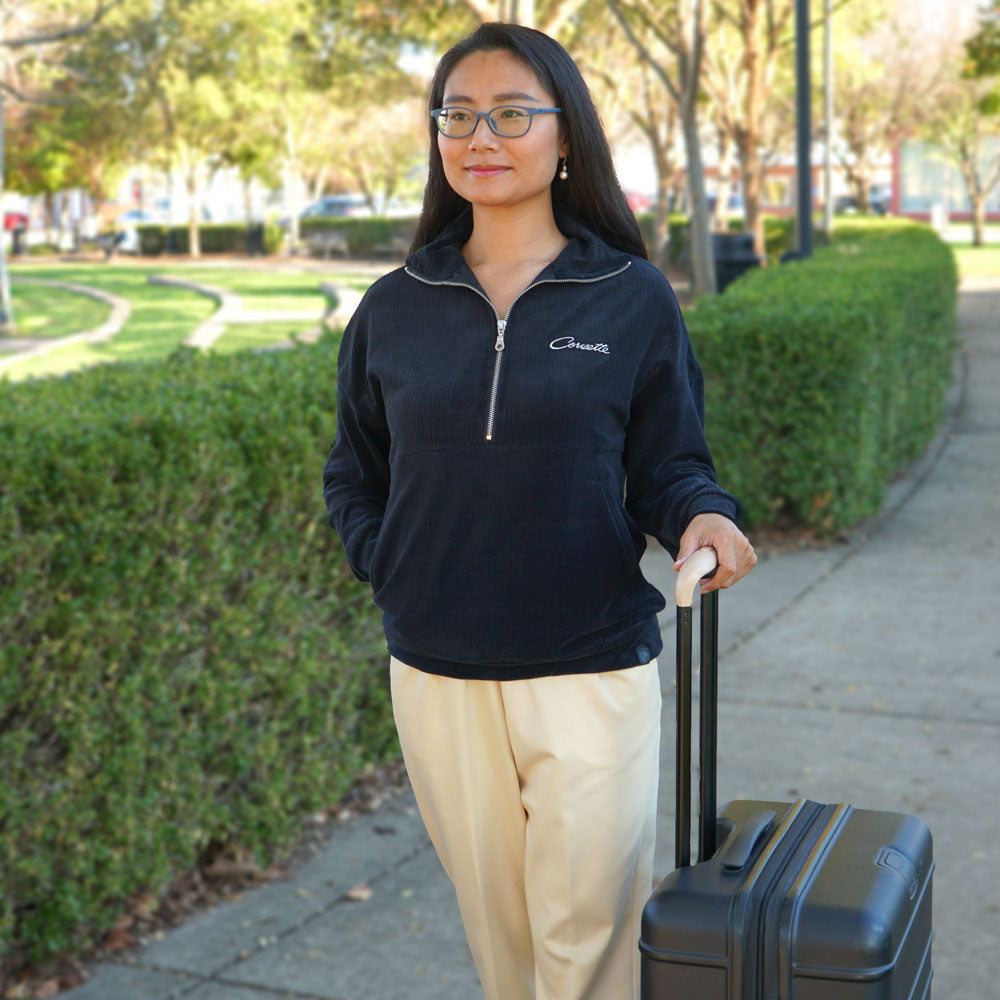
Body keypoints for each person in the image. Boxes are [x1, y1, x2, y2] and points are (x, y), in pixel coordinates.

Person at [323, 21, 756, 1000]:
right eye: (458, 115)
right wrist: (388, 559)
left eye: (512, 113)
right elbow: (353, 469)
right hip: (437, 667)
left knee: (587, 938)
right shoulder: (394, 305)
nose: (482, 135)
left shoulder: (630, 295)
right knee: (502, 943)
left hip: (589, 665)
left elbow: (670, 462)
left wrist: (703, 517)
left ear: (566, 137)